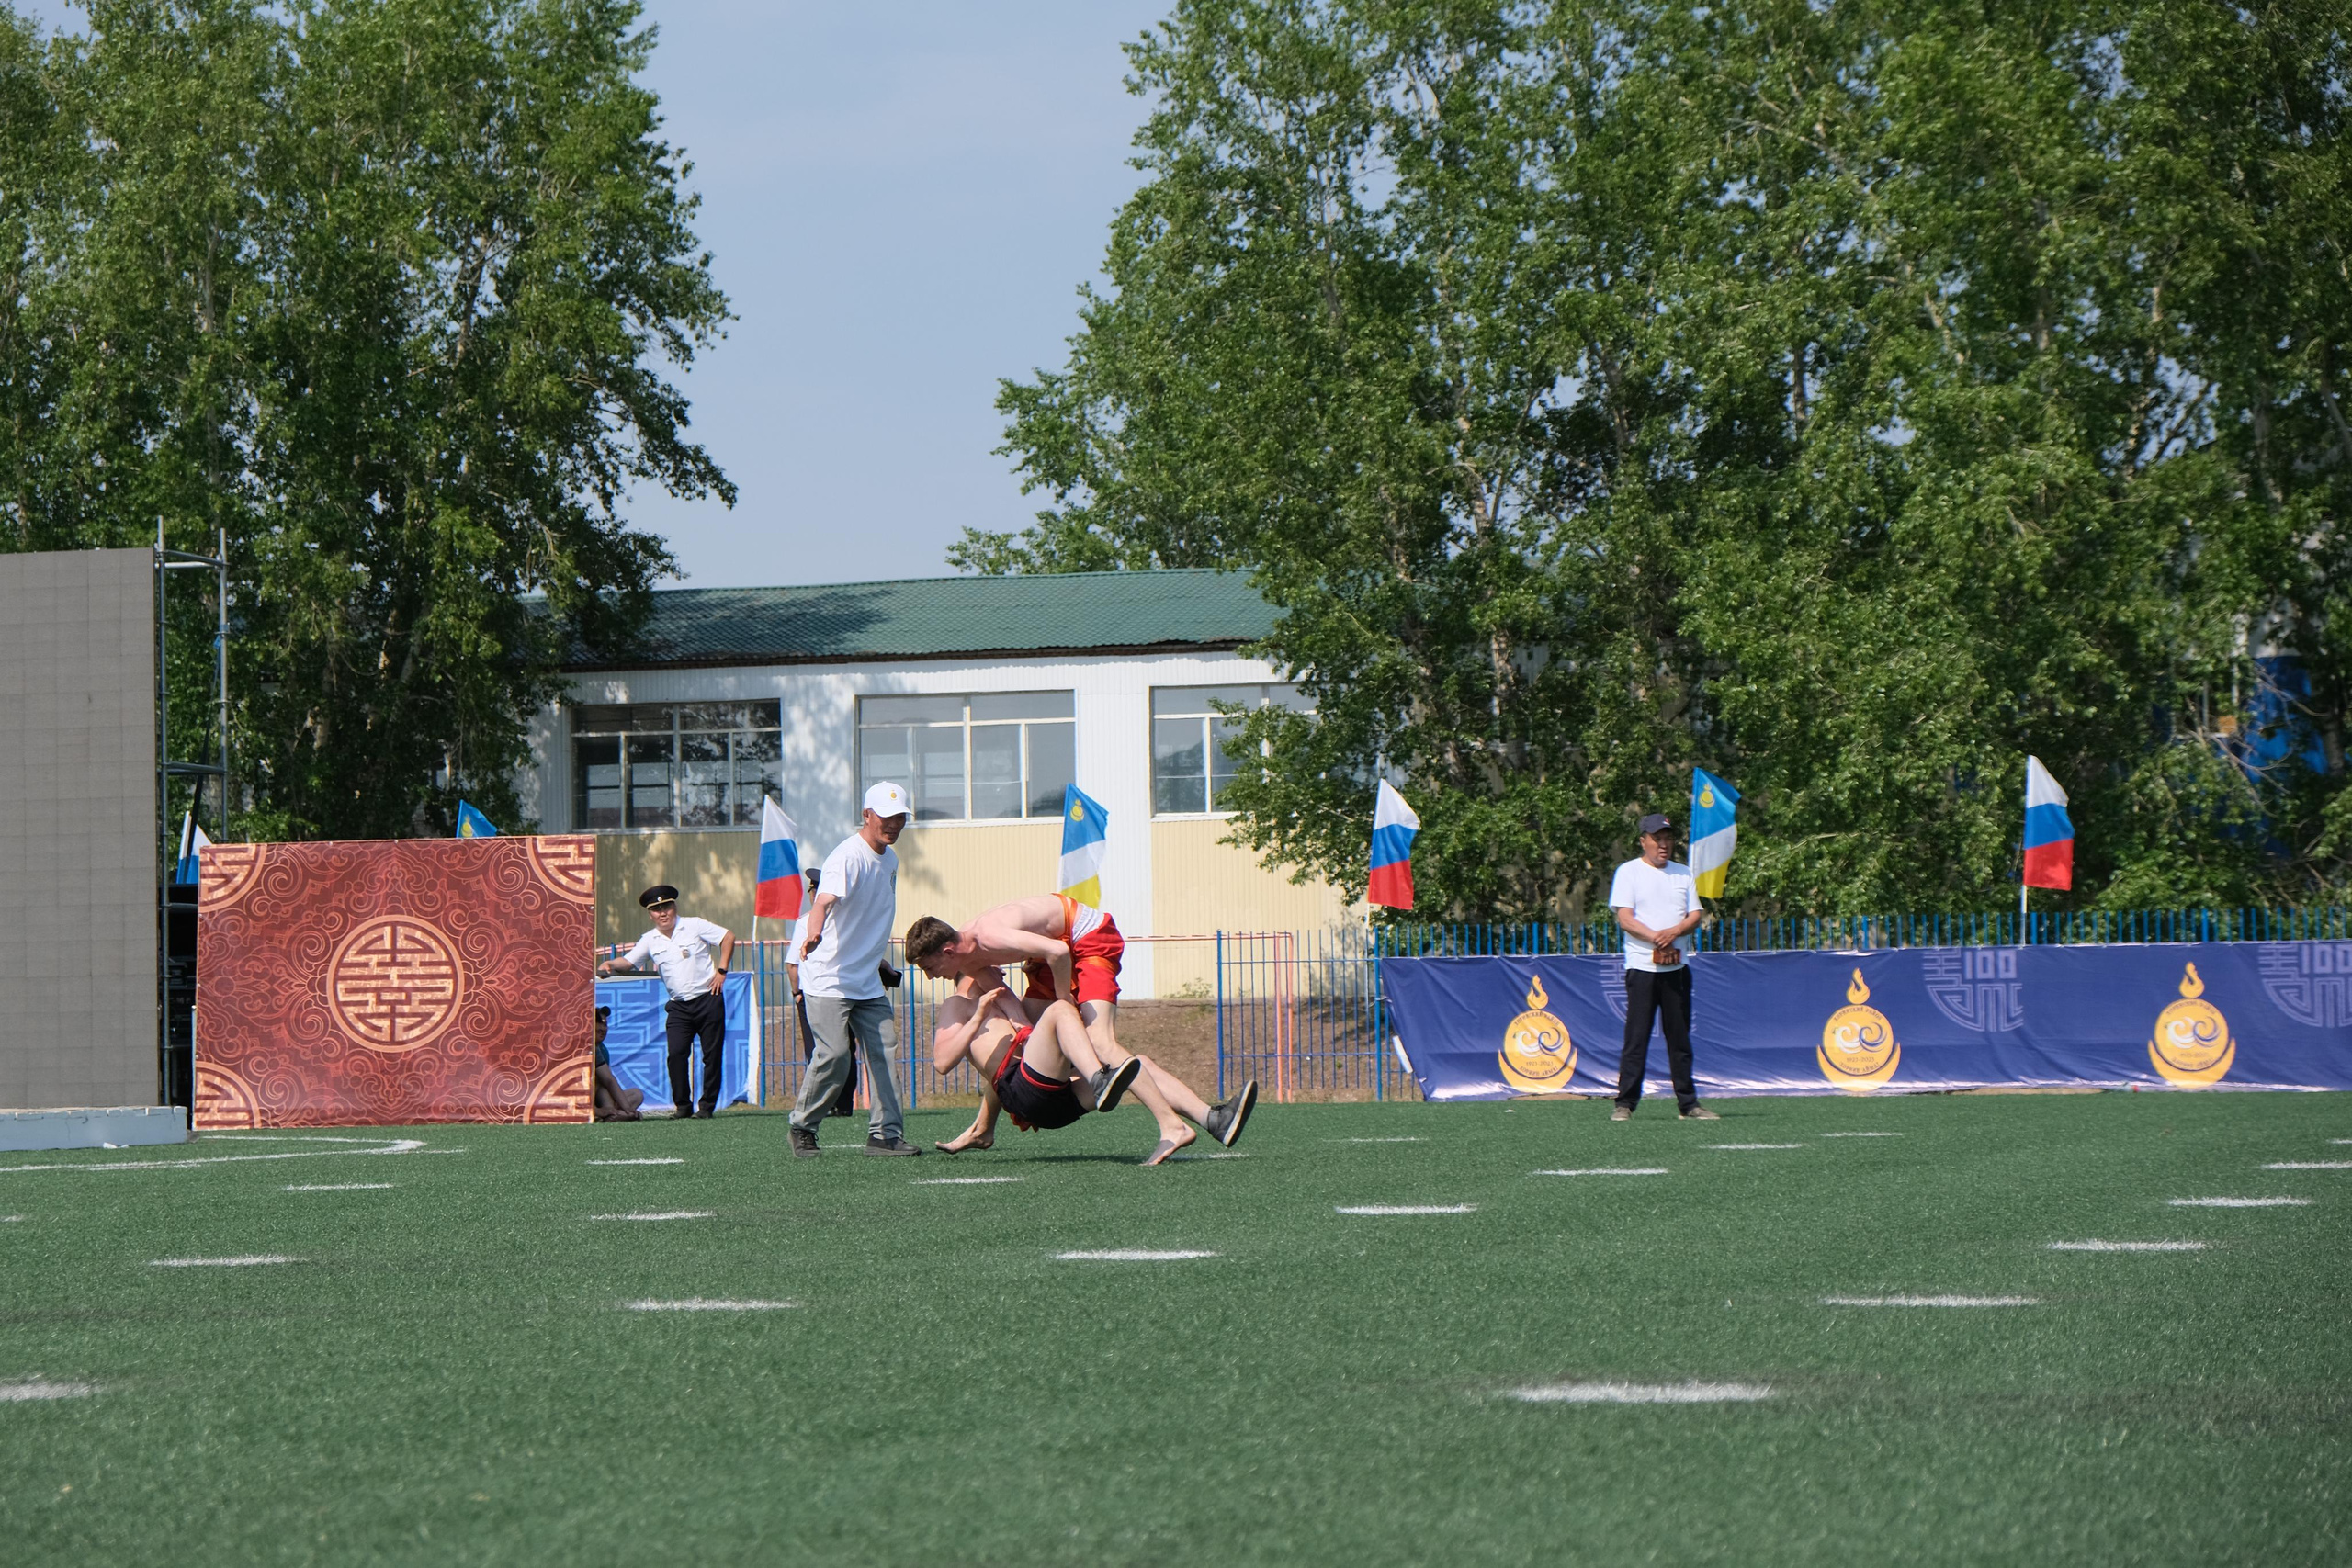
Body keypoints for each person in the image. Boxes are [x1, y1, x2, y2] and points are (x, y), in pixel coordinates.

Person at [927, 966, 1255, 1165]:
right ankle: (1101, 1080)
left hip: (1053, 1096)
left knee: (1138, 1063)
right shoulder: (959, 1004)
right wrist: (980, 1013)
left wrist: (984, 1129)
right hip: (1032, 1097)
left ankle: (1212, 1119)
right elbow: (943, 1062)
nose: (1000, 970)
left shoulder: (1003, 998)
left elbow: (1007, 1067)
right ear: (971, 971)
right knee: (1059, 1010)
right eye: (991, 966)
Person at [788, 782, 922, 1158]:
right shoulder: (847, 856)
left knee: (886, 1053)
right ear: (867, 815)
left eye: (900, 818)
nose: (894, 824)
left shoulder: (891, 860)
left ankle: (884, 1136)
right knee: (834, 1056)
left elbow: (866, 920)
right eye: (886, 817)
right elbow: (824, 902)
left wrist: (878, 962)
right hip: (829, 980)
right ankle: (802, 1127)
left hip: (866, 982)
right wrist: (813, 935)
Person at [900, 894, 1129, 1065]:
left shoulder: (988, 937)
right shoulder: (968, 960)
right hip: (1052, 952)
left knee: (1099, 1041)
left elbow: (1058, 951)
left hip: (1088, 934)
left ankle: (1166, 1122)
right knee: (1035, 1030)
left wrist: (1063, 1000)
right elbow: (1005, 996)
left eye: (928, 968)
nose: (930, 977)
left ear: (948, 952)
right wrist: (1025, 1029)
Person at [1608, 811, 1718, 1121]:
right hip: (1642, 969)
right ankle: (1625, 1104)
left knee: (1680, 1039)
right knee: (1637, 1038)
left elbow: (1695, 914)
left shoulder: (1684, 873)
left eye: (1668, 838)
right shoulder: (1628, 872)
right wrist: (1657, 937)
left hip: (1677, 970)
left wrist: (1675, 932)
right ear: (1643, 841)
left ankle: (1688, 1104)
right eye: (1657, 839)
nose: (1664, 845)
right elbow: (1625, 918)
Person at [597, 885, 734, 1120]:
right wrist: (609, 964)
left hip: (707, 997)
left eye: (666, 907)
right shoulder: (650, 939)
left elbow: (727, 937)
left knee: (712, 1056)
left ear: (674, 907)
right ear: (650, 914)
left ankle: (706, 1107)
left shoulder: (694, 925)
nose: (663, 913)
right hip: (679, 1005)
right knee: (676, 1055)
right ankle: (683, 1106)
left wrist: (722, 970)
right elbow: (629, 962)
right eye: (656, 909)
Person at [784, 868, 855, 1119]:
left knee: (823, 1051)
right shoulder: (846, 918)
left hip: (820, 994)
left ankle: (825, 1105)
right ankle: (842, 1104)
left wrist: (797, 993)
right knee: (842, 1049)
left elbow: (793, 964)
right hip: (842, 991)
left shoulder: (806, 922)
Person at [590, 1005, 644, 1122]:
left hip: (599, 1100)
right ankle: (604, 1113)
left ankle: (612, 1113)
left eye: (605, 1025)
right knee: (602, 1082)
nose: (603, 1028)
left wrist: (627, 1108)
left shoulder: (602, 1049)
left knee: (637, 1094)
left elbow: (609, 1081)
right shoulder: (585, 1044)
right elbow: (608, 1080)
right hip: (581, 1100)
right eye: (599, 1023)